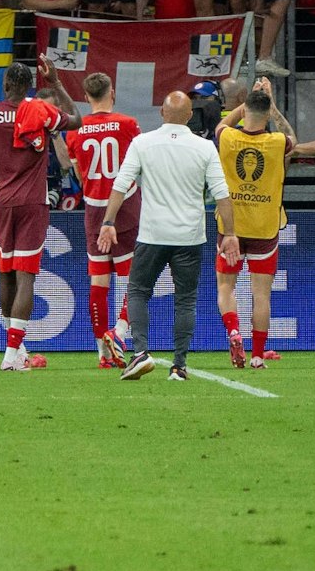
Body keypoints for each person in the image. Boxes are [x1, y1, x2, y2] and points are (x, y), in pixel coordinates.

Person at [98, 91, 239, 382]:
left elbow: (121, 185)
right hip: (189, 236)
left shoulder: (142, 143)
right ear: (190, 116)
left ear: (162, 113)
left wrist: (108, 221)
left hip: (152, 234)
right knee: (185, 300)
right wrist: (230, 233)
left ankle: (140, 352)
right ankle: (179, 366)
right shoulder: (204, 147)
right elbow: (222, 195)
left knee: (138, 292)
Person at [0, 61, 78, 371]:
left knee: (6, 274)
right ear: (30, 85)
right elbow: (76, 120)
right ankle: (13, 353)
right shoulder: (41, 111)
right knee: (26, 276)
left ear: (6, 84)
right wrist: (58, 84)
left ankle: (15, 350)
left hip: (1, 203)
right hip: (32, 204)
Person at [213, 79, 293, 368]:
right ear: (268, 113)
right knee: (261, 294)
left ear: (245, 110)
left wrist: (243, 104)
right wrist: (270, 104)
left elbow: (219, 127)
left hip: (231, 226)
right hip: (265, 229)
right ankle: (258, 356)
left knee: (226, 287)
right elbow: (291, 137)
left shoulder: (228, 139)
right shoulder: (277, 142)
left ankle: (234, 332)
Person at [66, 73, 143, 368]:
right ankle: (119, 332)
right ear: (112, 92)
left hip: (95, 208)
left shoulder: (75, 130)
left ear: (86, 97)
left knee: (99, 280)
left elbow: (77, 174)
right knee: (132, 278)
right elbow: (139, 165)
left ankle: (102, 352)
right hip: (125, 206)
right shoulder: (128, 124)